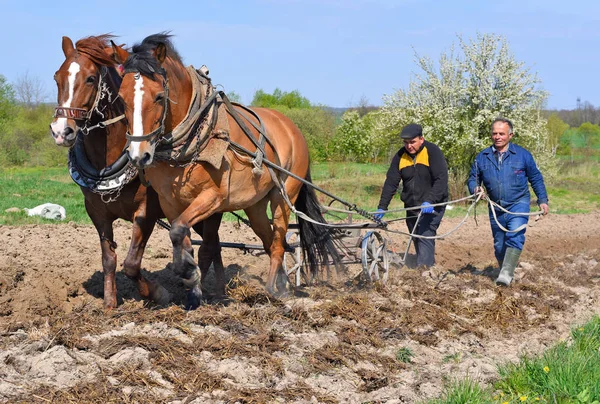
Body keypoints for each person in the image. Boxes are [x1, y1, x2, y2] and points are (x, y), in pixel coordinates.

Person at [467, 117, 549, 286]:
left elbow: (536, 178)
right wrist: (476, 189)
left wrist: (542, 200)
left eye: (502, 134)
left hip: (518, 203)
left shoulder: (523, 155)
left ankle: (505, 274)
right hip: (496, 206)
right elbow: (472, 179)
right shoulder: (482, 157)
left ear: (510, 135)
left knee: (515, 235)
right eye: (494, 133)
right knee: (499, 245)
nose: (497, 137)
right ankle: (506, 270)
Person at [375, 123, 449, 268]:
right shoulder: (400, 156)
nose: (409, 146)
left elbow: (441, 180)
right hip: (411, 205)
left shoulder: (432, 152)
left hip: (433, 205)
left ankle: (425, 270)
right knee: (415, 235)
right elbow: (391, 182)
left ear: (421, 139)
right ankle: (423, 264)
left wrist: (430, 200)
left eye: (412, 142)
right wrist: (382, 207)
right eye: (406, 142)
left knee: (425, 234)